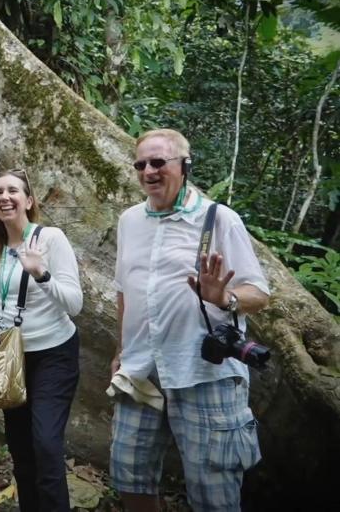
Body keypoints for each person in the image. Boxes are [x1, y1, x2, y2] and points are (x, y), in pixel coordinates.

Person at [110, 128, 270, 512]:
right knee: (129, 475)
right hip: (141, 370)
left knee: (214, 491)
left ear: (184, 166)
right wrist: (120, 349)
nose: (148, 171)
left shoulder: (219, 220)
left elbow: (260, 293)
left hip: (203, 372)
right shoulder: (130, 220)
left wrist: (225, 298)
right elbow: (124, 290)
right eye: (141, 164)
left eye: (158, 162)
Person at [0, 169, 82, 512]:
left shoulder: (50, 239)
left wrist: (41, 274)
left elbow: (75, 304)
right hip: (12, 360)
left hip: (54, 355)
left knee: (46, 444)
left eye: (13, 190)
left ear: (29, 201)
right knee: (21, 449)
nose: (5, 197)